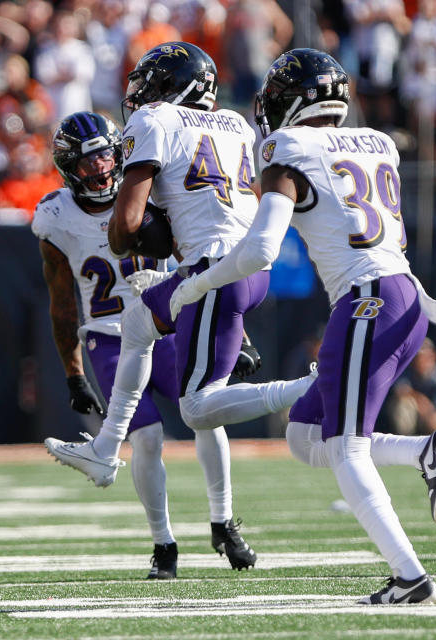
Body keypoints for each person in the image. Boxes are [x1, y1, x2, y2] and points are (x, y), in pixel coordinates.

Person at [168, 48, 436, 604]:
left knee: (345, 447)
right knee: (307, 438)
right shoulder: (377, 141)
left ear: (295, 103)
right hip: (400, 298)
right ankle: (424, 453)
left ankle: (410, 577)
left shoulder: (287, 147)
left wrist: (192, 286)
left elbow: (259, 251)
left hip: (368, 301)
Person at [44, 42, 316, 571]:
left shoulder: (154, 119)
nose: (141, 95)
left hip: (210, 275)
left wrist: (148, 234)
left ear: (174, 86)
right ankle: (110, 459)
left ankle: (307, 386)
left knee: (197, 407)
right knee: (141, 321)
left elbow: (123, 234)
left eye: (151, 83)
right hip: (240, 272)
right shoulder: (236, 124)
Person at [35, 111, 265, 578]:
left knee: (206, 411)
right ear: (67, 170)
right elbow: (62, 303)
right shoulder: (55, 216)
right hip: (109, 339)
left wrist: (237, 332)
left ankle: (222, 520)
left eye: (103, 157)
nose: (99, 170)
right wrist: (73, 372)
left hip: (168, 322)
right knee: (148, 437)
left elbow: (202, 266)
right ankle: (164, 544)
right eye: (85, 164)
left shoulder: (151, 192)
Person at [387, 337, 436, 435]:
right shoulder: (406, 372)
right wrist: (421, 401)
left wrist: (430, 414)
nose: (421, 360)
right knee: (402, 405)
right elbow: (400, 390)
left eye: (426, 355)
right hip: (415, 420)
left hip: (434, 417)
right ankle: (406, 443)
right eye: (418, 356)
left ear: (433, 356)